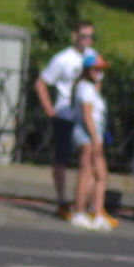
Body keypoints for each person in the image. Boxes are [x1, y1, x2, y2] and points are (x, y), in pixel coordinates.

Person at [35, 21, 97, 217]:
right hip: (65, 114)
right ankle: (62, 200)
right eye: (83, 35)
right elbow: (41, 83)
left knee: (88, 159)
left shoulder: (93, 57)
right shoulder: (63, 58)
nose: (87, 40)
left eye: (90, 36)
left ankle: (84, 202)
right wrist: (49, 109)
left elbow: (98, 82)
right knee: (62, 159)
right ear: (75, 36)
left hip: (85, 115)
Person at [69, 54, 112, 231]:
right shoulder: (85, 88)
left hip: (94, 135)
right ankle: (79, 211)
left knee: (99, 173)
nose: (98, 72)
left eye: (100, 69)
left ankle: (96, 212)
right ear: (87, 70)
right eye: (95, 69)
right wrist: (95, 139)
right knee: (87, 171)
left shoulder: (91, 88)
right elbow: (87, 116)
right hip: (87, 135)